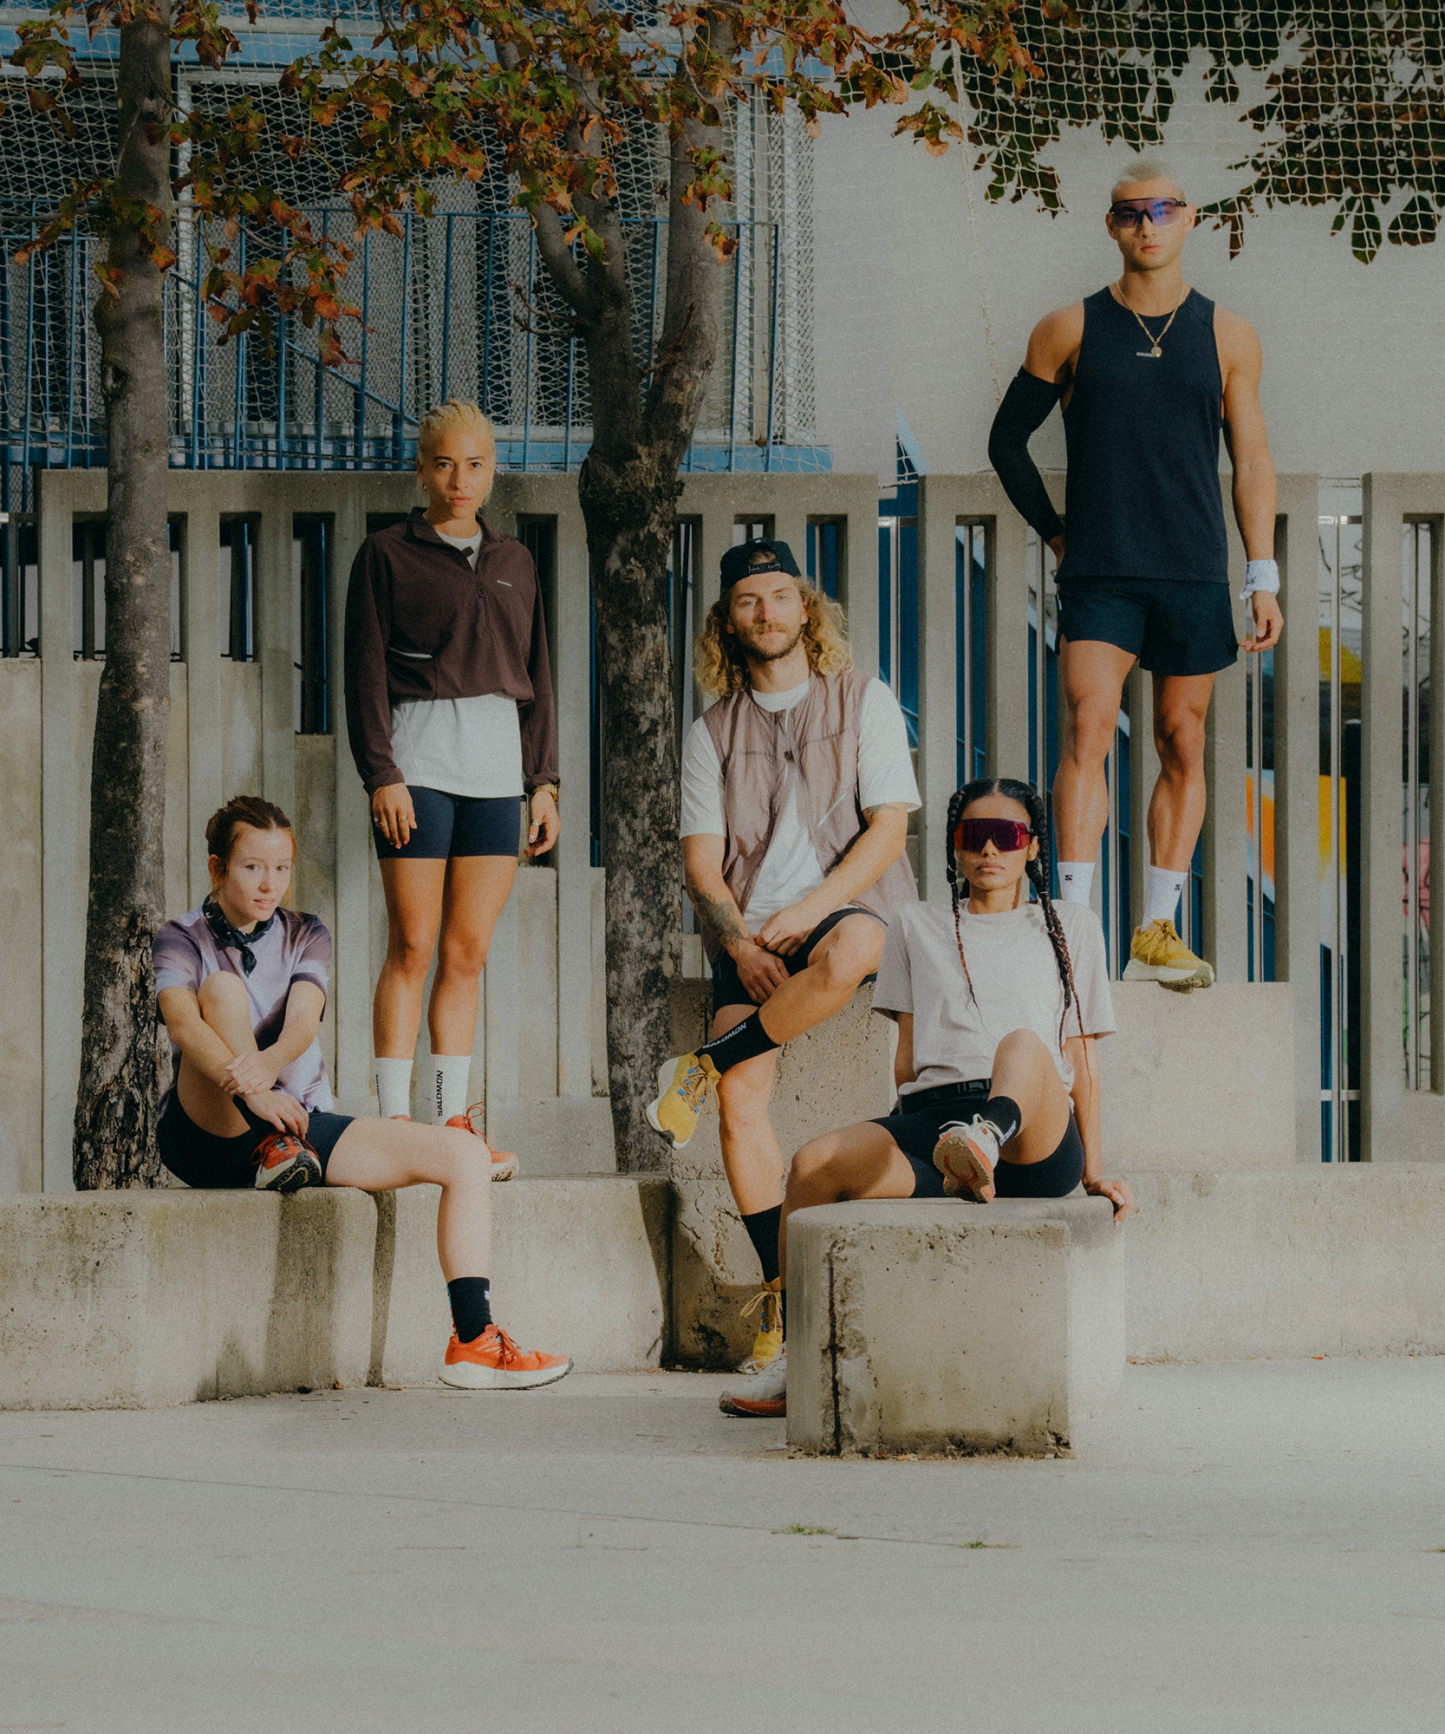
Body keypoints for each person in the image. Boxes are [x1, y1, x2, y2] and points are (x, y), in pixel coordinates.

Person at [717, 777, 1133, 1419]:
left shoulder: (1070, 926)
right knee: (811, 1164)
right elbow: (908, 1057)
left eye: (1007, 835)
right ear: (955, 846)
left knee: (1023, 1046)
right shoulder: (914, 924)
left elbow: (1081, 1058)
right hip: (938, 1128)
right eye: (974, 835)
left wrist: (1096, 1171)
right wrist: (895, 1136)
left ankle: (985, 1140)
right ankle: (797, 1358)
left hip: (1032, 1136)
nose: (989, 849)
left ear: (1032, 847)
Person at [153, 795, 572, 1390]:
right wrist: (255, 1094)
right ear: (218, 867)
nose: (270, 883)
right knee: (220, 991)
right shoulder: (180, 935)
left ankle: (474, 1340)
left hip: (294, 1129)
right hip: (208, 1128)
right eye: (252, 868)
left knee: (464, 1156)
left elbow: (303, 1023)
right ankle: (268, 1140)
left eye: (281, 868)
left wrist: (270, 1075)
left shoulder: (305, 931)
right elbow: (182, 1024)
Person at [987, 155, 1283, 990]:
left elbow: (1252, 459)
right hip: (1102, 572)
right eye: (1128, 213)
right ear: (1110, 226)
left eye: (1160, 210)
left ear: (1188, 219)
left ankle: (1155, 931)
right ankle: (1072, 929)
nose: (1146, 225)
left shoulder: (1228, 334)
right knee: (1088, 727)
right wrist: (1055, 533)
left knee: (1180, 739)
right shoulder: (1069, 328)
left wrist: (1261, 574)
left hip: (1192, 569)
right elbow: (1005, 442)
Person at [646, 537, 920, 1374]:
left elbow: (888, 830)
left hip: (846, 913)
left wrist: (811, 909)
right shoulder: (711, 732)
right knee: (739, 1104)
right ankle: (780, 1294)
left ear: (805, 609)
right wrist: (739, 941)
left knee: (854, 947)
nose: (764, 613)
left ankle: (707, 1060)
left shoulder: (863, 699)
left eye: (776, 596)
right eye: (746, 602)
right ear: (727, 622)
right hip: (754, 935)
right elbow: (701, 864)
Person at [344, 398, 560, 1150]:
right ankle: (392, 1120)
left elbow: (538, 676)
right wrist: (382, 773)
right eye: (444, 464)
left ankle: (450, 1119)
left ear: (493, 472)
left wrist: (544, 783)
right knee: (412, 944)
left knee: (467, 954)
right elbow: (363, 672)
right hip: (420, 766)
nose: (459, 480)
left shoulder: (515, 561)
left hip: (497, 775)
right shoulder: (385, 554)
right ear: (421, 469)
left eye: (474, 465)